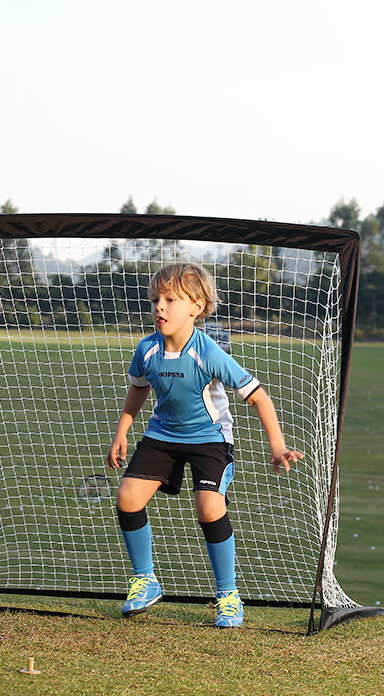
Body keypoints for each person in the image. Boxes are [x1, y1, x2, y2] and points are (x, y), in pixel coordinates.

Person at [105, 262, 304, 628]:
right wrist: (122, 431)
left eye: (170, 299)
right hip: (162, 436)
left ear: (196, 306)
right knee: (128, 498)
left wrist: (278, 447)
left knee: (209, 508)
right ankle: (145, 581)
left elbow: (260, 397)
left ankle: (228, 597)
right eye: (155, 300)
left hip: (209, 440)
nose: (159, 307)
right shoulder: (146, 349)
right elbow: (138, 389)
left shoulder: (208, 352)